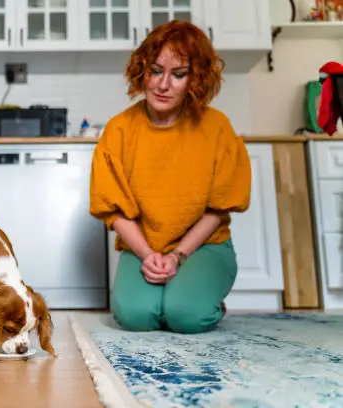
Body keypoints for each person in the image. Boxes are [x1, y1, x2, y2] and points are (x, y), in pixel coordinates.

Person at [89, 20, 251, 334]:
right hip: (142, 246)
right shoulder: (118, 129)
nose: (163, 85)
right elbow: (113, 210)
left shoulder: (217, 127)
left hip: (204, 245)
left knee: (186, 317)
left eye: (178, 75)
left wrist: (177, 256)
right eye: (155, 70)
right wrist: (148, 255)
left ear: (195, 79)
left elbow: (219, 209)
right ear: (142, 71)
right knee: (136, 318)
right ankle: (174, 295)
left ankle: (199, 299)